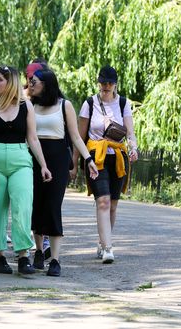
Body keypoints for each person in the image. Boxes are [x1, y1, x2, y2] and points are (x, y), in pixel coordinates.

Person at [0, 65, 52, 275]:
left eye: (0, 79)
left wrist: (43, 164)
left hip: (20, 159)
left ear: (11, 82)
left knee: (22, 205)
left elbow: (32, 137)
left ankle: (24, 255)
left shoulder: (26, 107)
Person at [28, 68, 98, 276]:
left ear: (47, 84)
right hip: (33, 156)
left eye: (35, 81)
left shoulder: (63, 105)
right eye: (30, 81)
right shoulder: (31, 105)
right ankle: (39, 251)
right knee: (36, 203)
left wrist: (88, 159)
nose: (31, 84)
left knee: (53, 205)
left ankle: (56, 259)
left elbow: (76, 136)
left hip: (58, 158)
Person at [77, 65, 138, 263]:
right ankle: (108, 248)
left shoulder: (122, 103)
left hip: (118, 156)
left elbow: (129, 131)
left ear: (115, 84)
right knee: (102, 201)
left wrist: (133, 147)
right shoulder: (89, 103)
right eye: (103, 82)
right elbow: (80, 135)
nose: (106, 86)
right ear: (98, 83)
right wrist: (74, 162)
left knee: (112, 204)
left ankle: (103, 240)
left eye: (110, 83)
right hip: (97, 157)